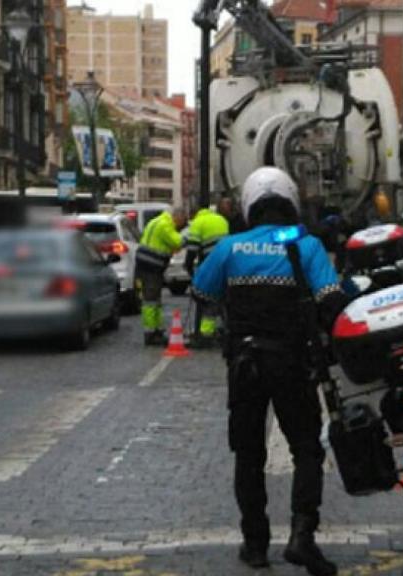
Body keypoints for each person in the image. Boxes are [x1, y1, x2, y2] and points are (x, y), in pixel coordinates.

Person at [191, 167, 345, 576]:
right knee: (307, 449)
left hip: (244, 365)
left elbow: (200, 292)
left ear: (249, 204)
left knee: (248, 454)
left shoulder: (230, 246)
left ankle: (255, 544)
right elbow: (332, 299)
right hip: (293, 364)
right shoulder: (304, 244)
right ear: (291, 202)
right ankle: (302, 536)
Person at [135, 208, 188, 346]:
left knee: (154, 299)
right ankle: (151, 333)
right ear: (177, 217)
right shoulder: (165, 225)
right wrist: (189, 235)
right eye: (182, 222)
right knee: (151, 300)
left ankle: (156, 330)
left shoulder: (156, 221)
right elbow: (178, 242)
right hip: (151, 266)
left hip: (147, 265)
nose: (180, 226)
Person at [184, 204, 230, 347]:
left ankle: (204, 334)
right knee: (223, 299)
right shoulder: (221, 220)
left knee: (206, 297)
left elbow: (192, 249)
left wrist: (189, 267)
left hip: (210, 263)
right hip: (226, 262)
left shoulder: (198, 223)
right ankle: (226, 330)